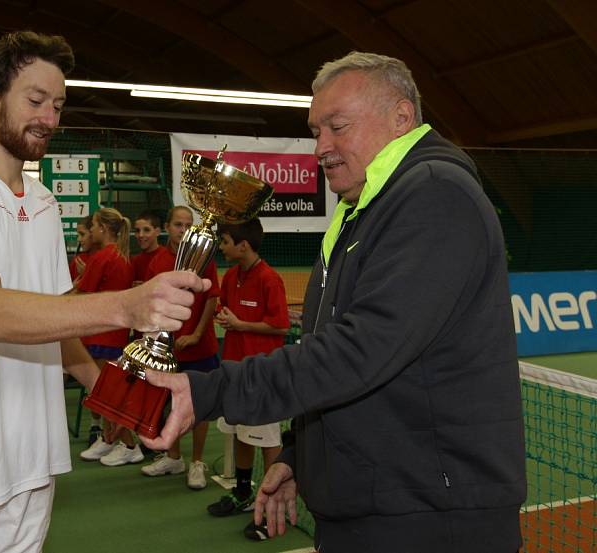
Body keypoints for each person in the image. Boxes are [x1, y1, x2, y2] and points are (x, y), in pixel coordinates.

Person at [143, 51, 527, 553]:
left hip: (429, 519)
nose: (320, 147)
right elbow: (341, 358)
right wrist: (302, 459)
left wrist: (209, 392)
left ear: (401, 118)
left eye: (337, 126)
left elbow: (360, 351)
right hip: (376, 506)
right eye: (315, 130)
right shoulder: (362, 210)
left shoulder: (435, 197)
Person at [0, 31, 209, 553]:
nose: (49, 117)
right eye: (35, 100)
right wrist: (127, 304)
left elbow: (60, 322)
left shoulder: (43, 203)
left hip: (33, 462)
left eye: (58, 105)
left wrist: (109, 398)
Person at [208, 218, 290, 541]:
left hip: (263, 375)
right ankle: (244, 493)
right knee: (240, 433)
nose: (222, 246)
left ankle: (274, 511)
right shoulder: (230, 276)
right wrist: (225, 317)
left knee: (269, 441)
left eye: (226, 241)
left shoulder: (270, 279)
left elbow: (281, 326)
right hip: (234, 371)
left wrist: (242, 324)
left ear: (243, 245)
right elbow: (225, 311)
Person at [140, 206, 220, 490]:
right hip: (167, 350)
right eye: (177, 224)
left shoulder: (205, 257)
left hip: (200, 347)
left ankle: (197, 462)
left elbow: (212, 299)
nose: (183, 229)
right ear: (167, 226)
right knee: (166, 402)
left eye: (188, 224)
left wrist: (197, 334)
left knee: (201, 406)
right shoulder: (158, 260)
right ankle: (173, 457)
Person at [76, 207, 141, 466]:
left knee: (105, 393)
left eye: (92, 226)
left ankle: (129, 444)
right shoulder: (120, 256)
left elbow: (83, 295)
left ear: (103, 228)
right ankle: (107, 437)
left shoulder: (103, 257)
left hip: (103, 334)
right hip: (112, 333)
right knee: (104, 391)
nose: (90, 231)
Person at [131, 210, 162, 287]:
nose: (141, 235)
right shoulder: (135, 261)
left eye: (146, 230)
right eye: (137, 231)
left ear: (157, 232)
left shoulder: (166, 257)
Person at [68, 214, 94, 286]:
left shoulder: (103, 259)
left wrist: (87, 275)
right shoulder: (78, 260)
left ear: (94, 232)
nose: (78, 239)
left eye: (82, 234)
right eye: (78, 235)